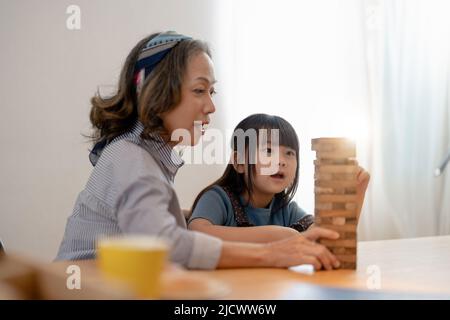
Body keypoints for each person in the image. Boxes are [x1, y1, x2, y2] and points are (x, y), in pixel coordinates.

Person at [56, 31, 343, 270]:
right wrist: (272, 253)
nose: (210, 106)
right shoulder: (131, 159)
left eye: (212, 92)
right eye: (199, 91)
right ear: (158, 93)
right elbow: (166, 245)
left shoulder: (142, 157)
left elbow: (150, 224)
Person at [188, 114, 370, 255]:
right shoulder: (218, 198)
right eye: (268, 150)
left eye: (289, 153)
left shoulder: (286, 210)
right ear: (239, 162)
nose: (281, 161)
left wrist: (355, 193)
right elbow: (196, 235)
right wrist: (278, 236)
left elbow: (326, 241)